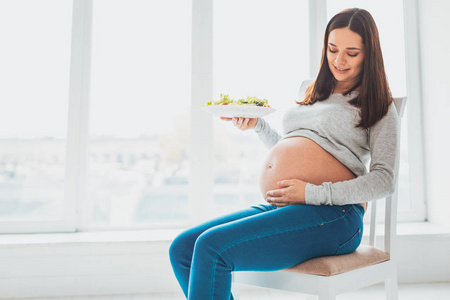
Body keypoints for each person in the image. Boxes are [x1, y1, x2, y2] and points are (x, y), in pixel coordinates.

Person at [169, 8, 400, 300]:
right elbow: (294, 148)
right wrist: (259, 126)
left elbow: (384, 180)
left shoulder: (379, 106)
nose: (339, 60)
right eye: (332, 49)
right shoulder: (313, 91)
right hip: (287, 207)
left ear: (369, 54)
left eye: (351, 53)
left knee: (212, 248)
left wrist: (312, 193)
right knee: (183, 248)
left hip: (334, 218)